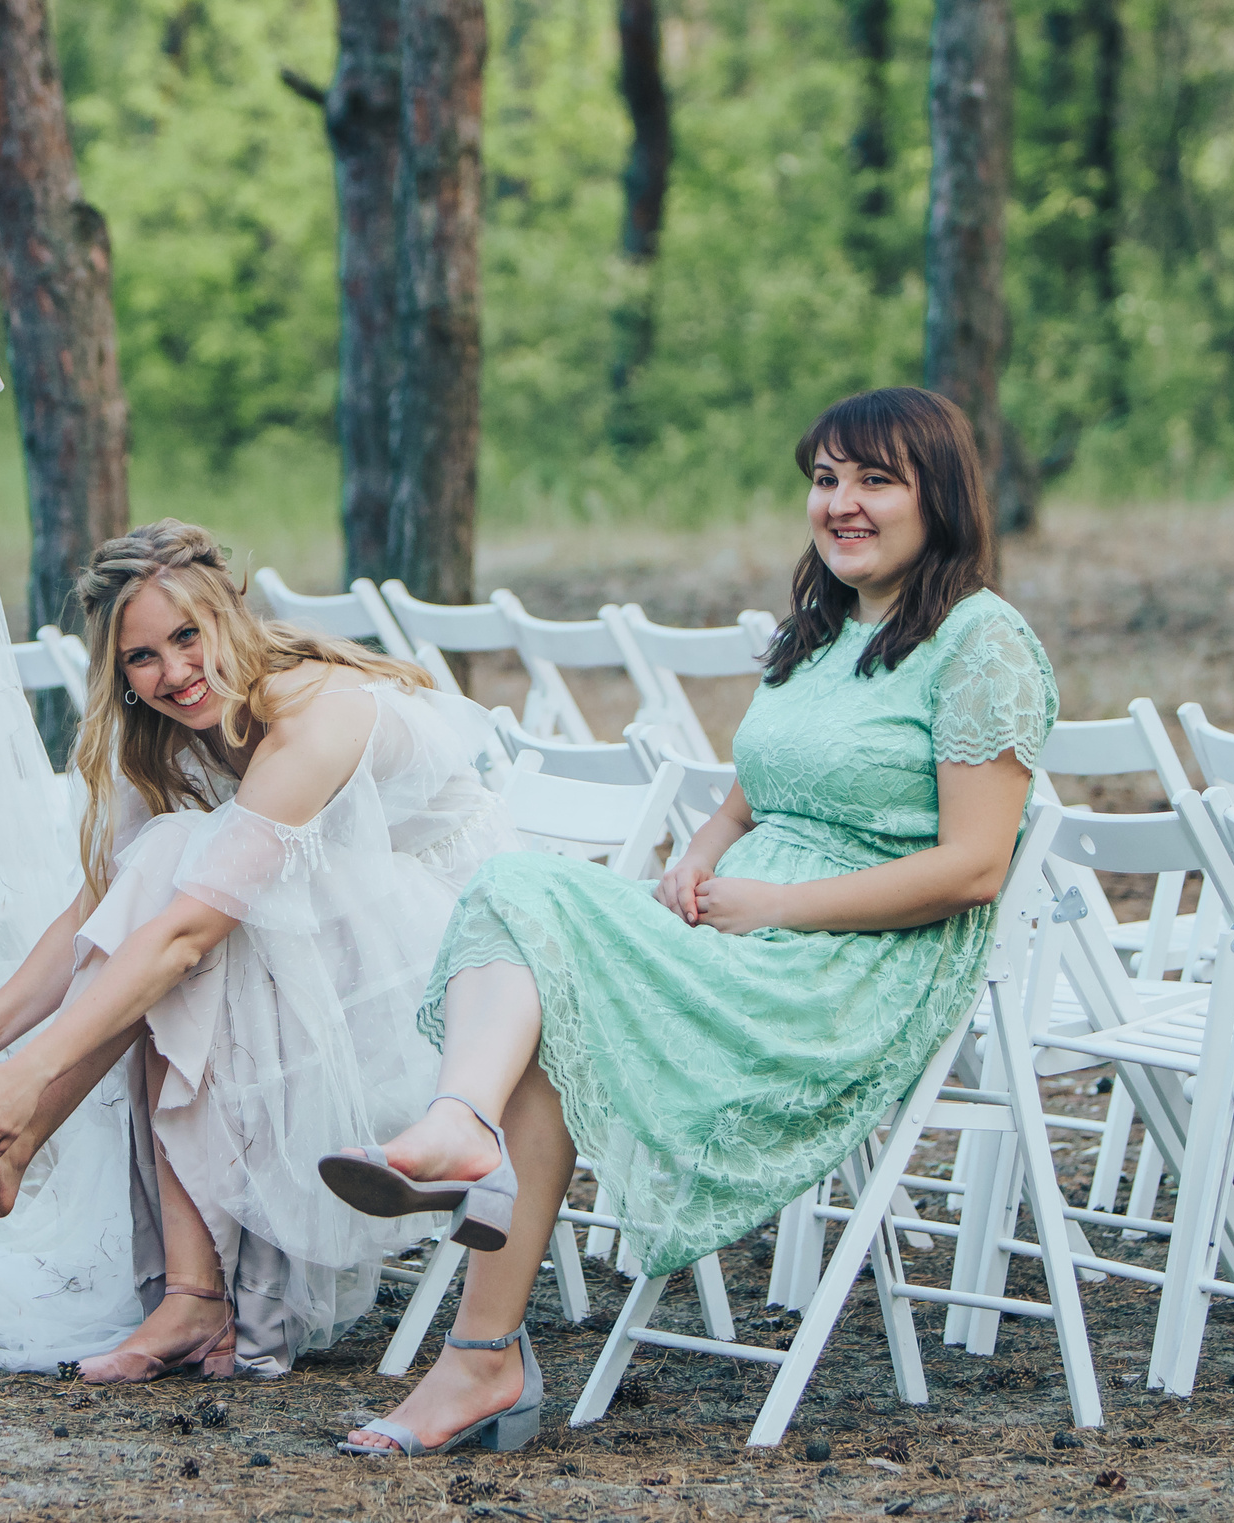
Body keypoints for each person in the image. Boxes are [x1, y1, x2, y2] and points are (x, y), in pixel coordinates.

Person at [320, 386, 1056, 1455]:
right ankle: (475, 1304)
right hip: (739, 926)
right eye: (825, 480)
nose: (841, 503)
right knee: (527, 943)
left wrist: (779, 905)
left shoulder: (983, 644)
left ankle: (465, 1205)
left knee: (528, 897)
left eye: (875, 480)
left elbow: (975, 867)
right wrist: (700, 856)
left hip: (847, 970)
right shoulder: (824, 629)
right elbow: (750, 798)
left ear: (938, 496)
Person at [0, 521, 517, 1380]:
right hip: (323, 953)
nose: (175, 672)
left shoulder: (312, 718)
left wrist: (27, 1075)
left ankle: (177, 1275)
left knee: (196, 917)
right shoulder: (169, 739)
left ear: (230, 615)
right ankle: (180, 1283)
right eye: (142, 657)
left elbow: (183, 937)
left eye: (188, 636)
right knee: (176, 871)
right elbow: (97, 912)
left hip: (455, 973)